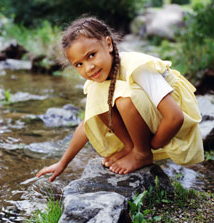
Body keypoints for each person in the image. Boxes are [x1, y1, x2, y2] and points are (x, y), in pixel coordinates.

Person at [36, 17, 204, 182]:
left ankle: (141, 153)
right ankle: (130, 146)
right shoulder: (98, 80)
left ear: (108, 44)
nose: (88, 67)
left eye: (91, 55)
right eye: (78, 64)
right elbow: (87, 123)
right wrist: (63, 163)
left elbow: (175, 117)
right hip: (153, 122)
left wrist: (149, 148)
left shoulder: (138, 68)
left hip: (174, 123)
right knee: (97, 93)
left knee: (124, 99)